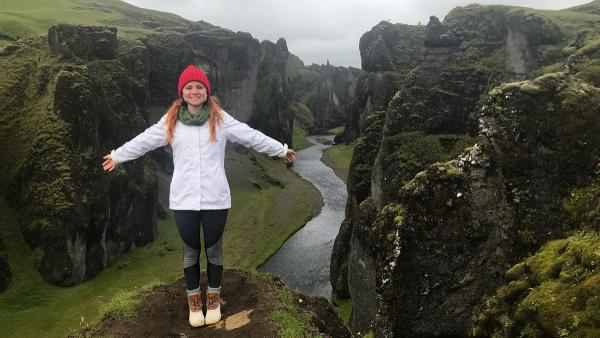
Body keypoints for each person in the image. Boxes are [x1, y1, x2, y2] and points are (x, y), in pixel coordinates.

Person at [102, 65, 296, 327]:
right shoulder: (170, 122)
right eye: (189, 87)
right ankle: (195, 304)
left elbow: (251, 137)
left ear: (207, 91)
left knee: (214, 250)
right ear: (182, 92)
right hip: (184, 200)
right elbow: (144, 140)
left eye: (199, 87)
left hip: (216, 198)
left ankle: (213, 300)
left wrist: (281, 150)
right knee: (191, 252)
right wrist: (118, 156)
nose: (194, 91)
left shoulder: (221, 120)